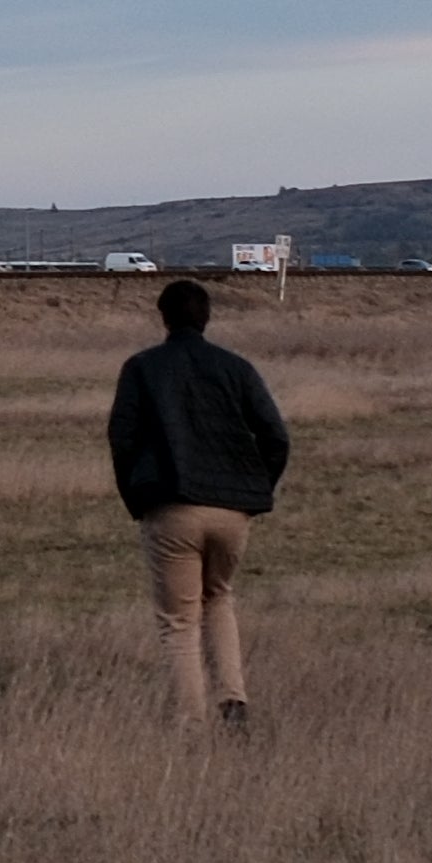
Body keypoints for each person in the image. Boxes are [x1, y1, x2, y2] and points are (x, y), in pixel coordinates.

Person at [107, 278, 292, 730]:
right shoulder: (237, 368)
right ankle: (233, 703)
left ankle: (192, 728)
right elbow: (276, 437)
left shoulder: (142, 368)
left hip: (171, 508)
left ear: (163, 318)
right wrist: (253, 492)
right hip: (233, 511)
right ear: (207, 317)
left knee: (178, 622)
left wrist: (139, 496)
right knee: (219, 598)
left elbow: (122, 438)